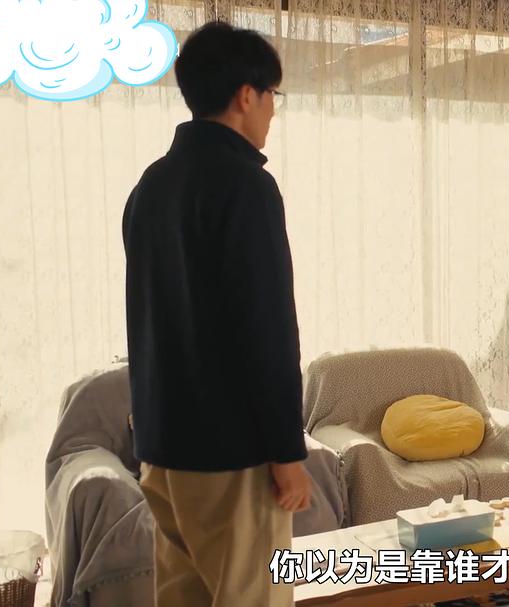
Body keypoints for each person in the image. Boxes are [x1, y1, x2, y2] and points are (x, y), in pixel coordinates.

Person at [122, 21, 310, 607]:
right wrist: (287, 451)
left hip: (163, 450)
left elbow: (152, 318)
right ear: (246, 95)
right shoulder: (246, 186)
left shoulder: (150, 186)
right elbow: (266, 328)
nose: (273, 111)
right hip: (232, 456)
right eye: (273, 95)